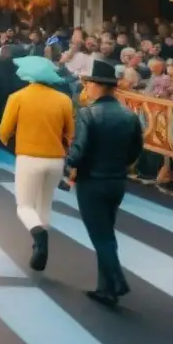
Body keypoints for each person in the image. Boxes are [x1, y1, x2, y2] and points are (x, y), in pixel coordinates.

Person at [67, 59, 143, 307]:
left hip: (92, 182)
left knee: (101, 236)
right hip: (117, 181)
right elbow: (135, 151)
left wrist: (68, 162)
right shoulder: (129, 115)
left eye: (88, 84)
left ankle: (117, 281)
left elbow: (78, 153)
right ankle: (105, 288)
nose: (86, 89)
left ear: (97, 86)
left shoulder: (88, 114)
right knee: (107, 232)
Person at [0, 56, 74, 271]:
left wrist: (7, 139)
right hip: (55, 160)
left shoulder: (18, 97)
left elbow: (4, 130)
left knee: (24, 206)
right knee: (44, 205)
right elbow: (70, 133)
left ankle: (39, 237)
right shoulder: (64, 100)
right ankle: (37, 247)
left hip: (28, 157)